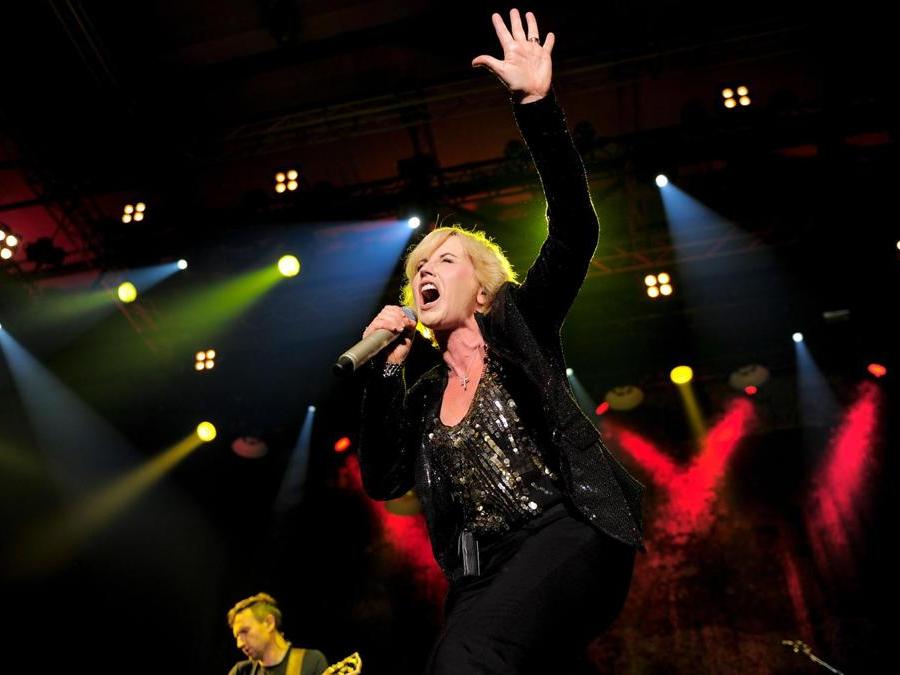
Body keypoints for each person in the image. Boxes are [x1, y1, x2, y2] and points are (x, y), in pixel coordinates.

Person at [358, 8, 647, 674]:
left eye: (445, 260)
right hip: (483, 573)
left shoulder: (521, 327)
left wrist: (538, 109)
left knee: (466, 657)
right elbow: (383, 478)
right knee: (464, 653)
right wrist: (385, 371)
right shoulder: (423, 395)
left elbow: (574, 229)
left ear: (484, 290)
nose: (426, 271)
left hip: (569, 529)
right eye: (418, 267)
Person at [226, 592, 329, 675]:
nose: (239, 644)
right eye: (237, 636)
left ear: (269, 623)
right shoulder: (241, 671)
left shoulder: (310, 662)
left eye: (245, 631)